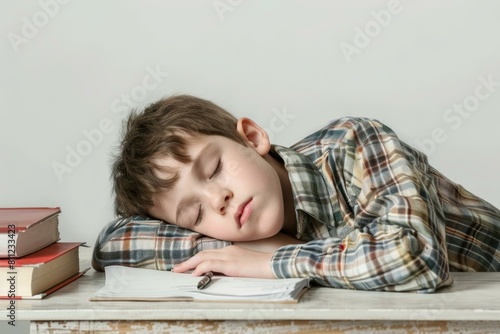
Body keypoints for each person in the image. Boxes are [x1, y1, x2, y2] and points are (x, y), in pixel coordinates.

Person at [93, 94, 500, 293]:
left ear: (252, 138)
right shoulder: (237, 227)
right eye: (194, 214)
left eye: (214, 168)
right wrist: (250, 245)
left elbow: (414, 258)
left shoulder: (353, 143)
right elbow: (112, 244)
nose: (218, 200)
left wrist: (271, 259)